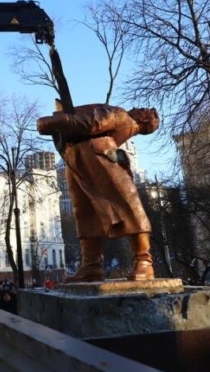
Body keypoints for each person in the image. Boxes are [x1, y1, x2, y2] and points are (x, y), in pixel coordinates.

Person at [37, 103, 160, 282]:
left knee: (129, 207)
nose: (136, 107)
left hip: (97, 155)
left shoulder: (121, 115)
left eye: (142, 109)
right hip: (78, 157)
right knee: (85, 213)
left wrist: (53, 122)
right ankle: (91, 266)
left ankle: (144, 261)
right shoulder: (124, 122)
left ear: (143, 118)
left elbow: (93, 121)